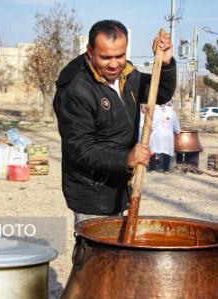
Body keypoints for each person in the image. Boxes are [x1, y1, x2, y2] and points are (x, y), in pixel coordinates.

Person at [53, 20, 176, 226]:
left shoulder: (127, 75)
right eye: (106, 57)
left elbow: (160, 93)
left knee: (117, 254)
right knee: (95, 255)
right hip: (91, 191)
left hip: (119, 185)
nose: (114, 64)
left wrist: (164, 64)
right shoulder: (75, 88)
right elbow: (80, 148)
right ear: (90, 51)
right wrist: (127, 158)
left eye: (120, 56)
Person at [148, 101, 181, 173]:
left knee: (153, 150)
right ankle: (166, 169)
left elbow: (152, 123)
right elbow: (176, 125)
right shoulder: (173, 113)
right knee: (167, 151)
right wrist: (178, 132)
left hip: (156, 134)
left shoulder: (156, 111)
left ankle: (152, 168)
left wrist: (150, 131)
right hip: (167, 135)